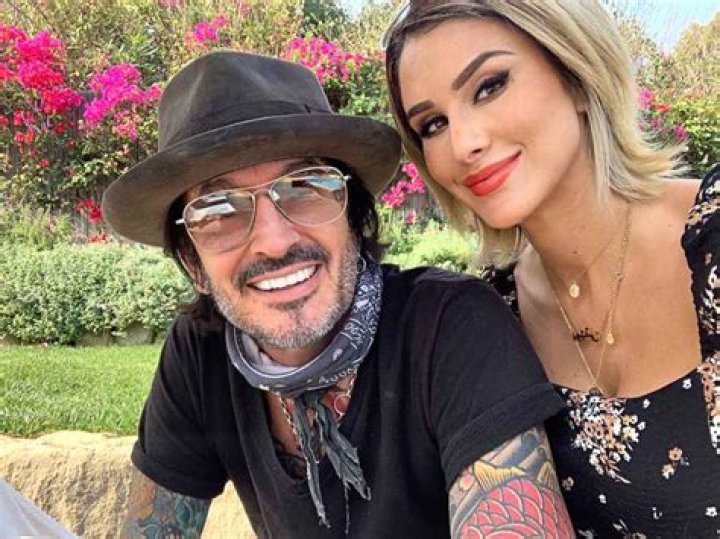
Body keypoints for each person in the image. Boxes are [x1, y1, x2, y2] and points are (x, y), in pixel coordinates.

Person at [102, 50, 571, 537]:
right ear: (193, 262)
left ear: (353, 214)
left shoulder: (451, 325)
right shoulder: (200, 354)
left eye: (305, 186)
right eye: (218, 210)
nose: (275, 241)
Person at [384, 0, 719, 536]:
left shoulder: (711, 238)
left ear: (577, 75)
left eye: (489, 86)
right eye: (433, 124)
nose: (464, 144)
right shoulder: (492, 318)